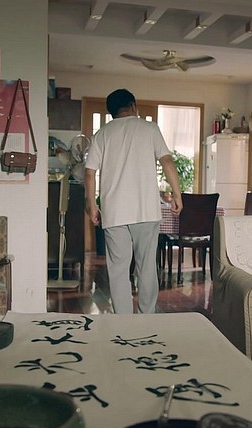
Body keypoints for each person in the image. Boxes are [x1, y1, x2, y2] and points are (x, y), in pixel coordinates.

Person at [85, 89, 182, 314]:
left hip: (114, 213)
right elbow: (167, 161)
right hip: (146, 210)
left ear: (112, 112)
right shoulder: (150, 128)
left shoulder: (103, 134)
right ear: (133, 106)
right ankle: (146, 316)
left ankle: (124, 321)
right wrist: (177, 194)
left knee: (118, 270)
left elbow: (90, 172)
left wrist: (92, 205)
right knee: (146, 267)